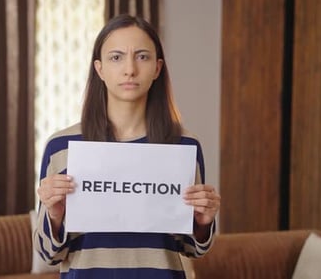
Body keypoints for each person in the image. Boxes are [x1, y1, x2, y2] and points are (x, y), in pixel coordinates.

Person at [33, 14, 221, 279]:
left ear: (157, 68)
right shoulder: (61, 146)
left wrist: (203, 222)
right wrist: (54, 215)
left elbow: (193, 249)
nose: (130, 69)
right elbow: (47, 254)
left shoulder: (183, 146)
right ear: (99, 69)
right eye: (116, 57)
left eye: (142, 57)